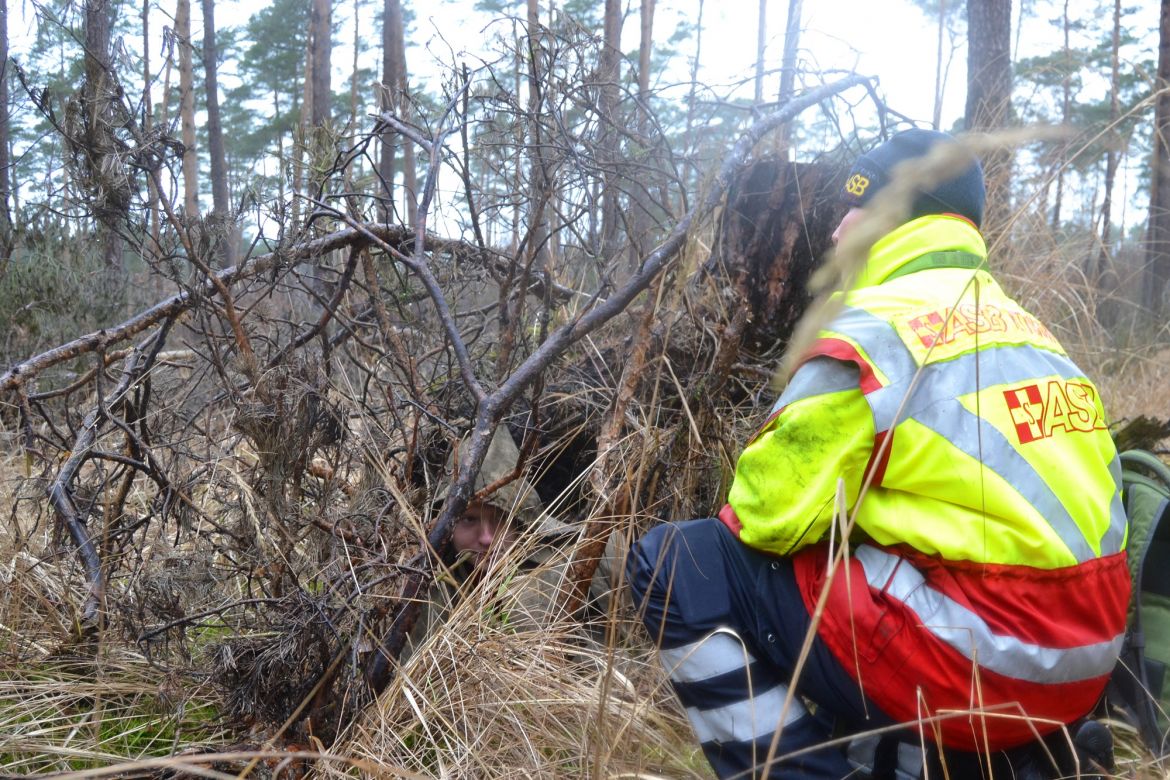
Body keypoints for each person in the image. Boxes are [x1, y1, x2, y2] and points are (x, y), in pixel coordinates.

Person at [626, 128, 1131, 779]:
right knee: (878, 569)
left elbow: (764, 516)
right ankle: (1004, 762)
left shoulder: (874, 332)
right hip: (1080, 666)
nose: (837, 232)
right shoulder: (1035, 334)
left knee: (683, 559)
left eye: (853, 207)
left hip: (975, 668)